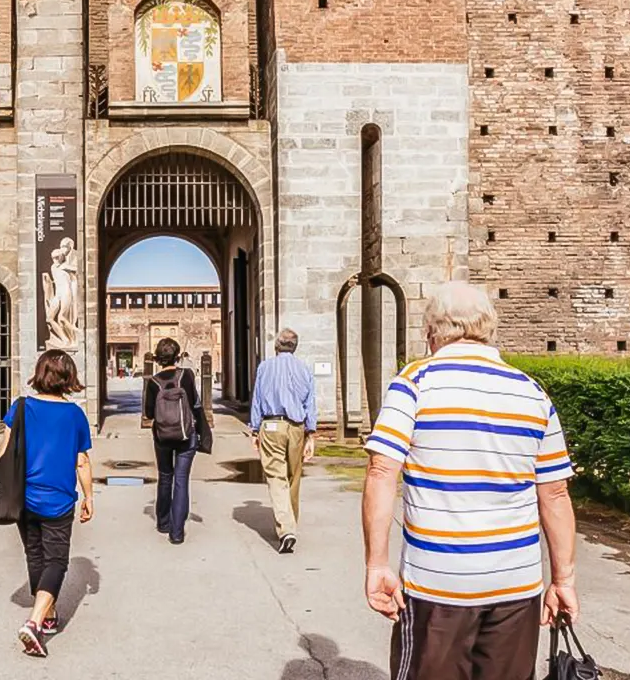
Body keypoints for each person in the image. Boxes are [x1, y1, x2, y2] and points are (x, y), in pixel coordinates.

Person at [360, 281, 579, 680]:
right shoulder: (531, 392)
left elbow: (381, 471)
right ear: (489, 329)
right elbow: (555, 493)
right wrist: (563, 579)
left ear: (431, 334)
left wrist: (377, 564)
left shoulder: (414, 384)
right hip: (517, 586)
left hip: (438, 586)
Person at [0, 350, 95, 658]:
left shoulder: (21, 407)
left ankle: (48, 613)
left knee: (34, 553)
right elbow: (81, 460)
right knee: (56, 561)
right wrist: (89, 496)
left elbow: (4, 452)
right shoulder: (75, 415)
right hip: (58, 499)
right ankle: (35, 622)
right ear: (69, 377)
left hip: (23, 496)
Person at [248, 328, 318, 554]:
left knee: (276, 477)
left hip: (271, 424)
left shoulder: (264, 368)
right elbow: (310, 404)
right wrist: (311, 435)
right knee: (293, 476)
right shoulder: (304, 369)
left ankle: (286, 528)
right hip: (296, 427)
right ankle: (289, 524)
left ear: (277, 346)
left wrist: (255, 429)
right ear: (294, 347)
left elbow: (257, 399)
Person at [143, 337, 210, 545]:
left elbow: (148, 413)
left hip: (162, 436)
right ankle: (177, 532)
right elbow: (196, 405)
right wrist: (202, 432)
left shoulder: (153, 382)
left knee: (165, 476)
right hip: (185, 434)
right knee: (181, 480)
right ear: (178, 356)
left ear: (157, 358)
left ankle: (163, 522)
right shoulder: (186, 376)